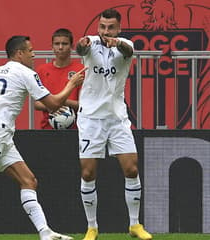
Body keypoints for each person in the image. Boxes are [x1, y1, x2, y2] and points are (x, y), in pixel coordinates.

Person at [0, 36, 86, 240]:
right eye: (30, 50)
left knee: (29, 181)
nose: (34, 54)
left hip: (1, 135)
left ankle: (45, 233)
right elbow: (52, 104)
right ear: (19, 53)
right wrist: (71, 84)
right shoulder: (26, 73)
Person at [75, 9, 152, 240]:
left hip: (117, 118)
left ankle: (135, 225)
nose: (105, 31)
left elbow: (127, 50)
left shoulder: (125, 45)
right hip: (90, 118)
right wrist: (83, 43)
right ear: (98, 26)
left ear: (118, 28)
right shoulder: (91, 43)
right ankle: (92, 227)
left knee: (131, 168)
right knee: (88, 173)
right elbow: (80, 48)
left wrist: (116, 42)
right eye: (102, 26)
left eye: (110, 27)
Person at [34, 28, 84, 129]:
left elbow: (85, 105)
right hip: (47, 128)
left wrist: (58, 102)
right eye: (57, 44)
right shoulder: (42, 70)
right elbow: (37, 104)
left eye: (65, 44)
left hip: (75, 129)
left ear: (72, 46)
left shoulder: (80, 70)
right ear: (52, 47)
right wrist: (53, 106)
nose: (60, 47)